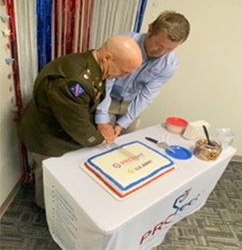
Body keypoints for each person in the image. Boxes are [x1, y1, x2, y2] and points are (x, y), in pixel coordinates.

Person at [17, 35, 142, 208]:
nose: (122, 77)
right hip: (46, 134)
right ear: (107, 57)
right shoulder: (75, 80)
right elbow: (77, 125)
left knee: (63, 171)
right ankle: (45, 210)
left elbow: (87, 106)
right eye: (123, 71)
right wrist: (100, 140)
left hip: (59, 125)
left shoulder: (93, 64)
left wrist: (100, 128)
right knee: (48, 175)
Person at [95, 10, 190, 142]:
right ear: (150, 29)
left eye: (169, 49)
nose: (161, 52)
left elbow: (147, 95)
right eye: (159, 45)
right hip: (106, 97)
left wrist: (124, 122)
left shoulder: (170, 63)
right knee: (101, 141)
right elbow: (106, 80)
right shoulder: (123, 44)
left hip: (131, 103)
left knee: (126, 141)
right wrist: (102, 118)